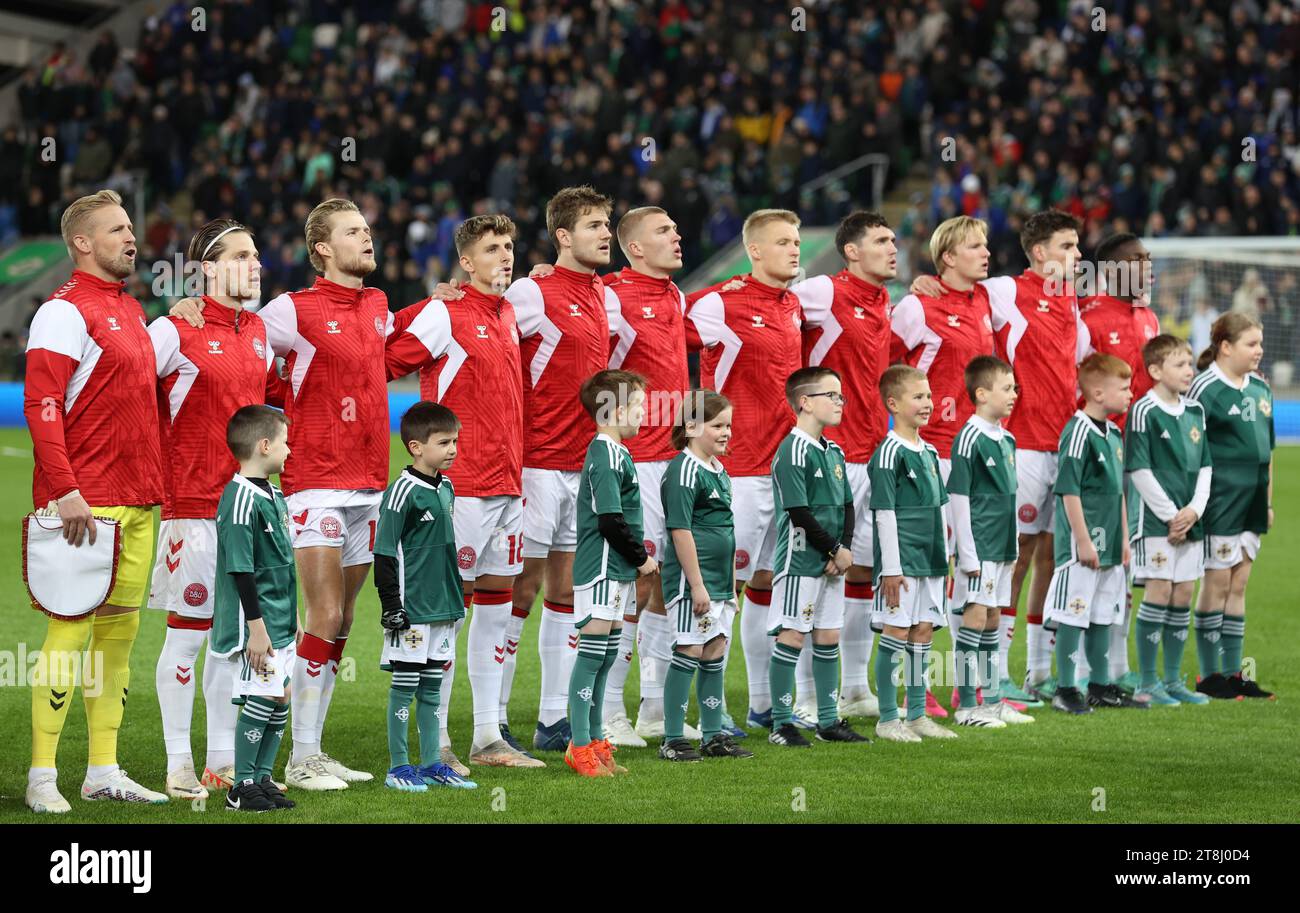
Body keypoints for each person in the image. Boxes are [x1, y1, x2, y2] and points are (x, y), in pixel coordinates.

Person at [174, 198, 390, 788]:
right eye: (354, 231)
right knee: (318, 613)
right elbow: (235, 326)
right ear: (322, 248)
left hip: (369, 481)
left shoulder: (377, 304)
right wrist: (191, 302)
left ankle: (312, 748)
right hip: (313, 484)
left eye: (367, 229)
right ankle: (293, 758)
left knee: (343, 619)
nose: (367, 238)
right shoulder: (290, 310)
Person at [24, 189, 168, 813]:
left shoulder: (130, 310)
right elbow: (42, 405)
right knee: (69, 634)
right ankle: (40, 777)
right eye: (115, 230)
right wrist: (66, 489)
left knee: (118, 640)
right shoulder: (62, 312)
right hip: (85, 505)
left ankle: (103, 769)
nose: (130, 238)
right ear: (82, 243)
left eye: (130, 228)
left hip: (136, 501)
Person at [384, 215, 542, 769]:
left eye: (510, 247)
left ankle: (485, 737)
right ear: (466, 262)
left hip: (508, 485)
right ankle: (438, 741)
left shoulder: (508, 313)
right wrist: (420, 306)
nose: (505, 257)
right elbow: (382, 356)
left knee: (497, 613)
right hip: (461, 489)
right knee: (446, 613)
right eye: (492, 249)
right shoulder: (445, 313)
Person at [914, 211, 1087, 708]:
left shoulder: (1074, 300)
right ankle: (989, 677)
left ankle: (1034, 672)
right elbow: (955, 291)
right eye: (1069, 247)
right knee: (1012, 556)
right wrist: (924, 282)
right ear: (1040, 253)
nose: (1078, 257)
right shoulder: (1007, 291)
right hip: (1022, 443)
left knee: (1052, 557)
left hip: (1063, 444)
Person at [148, 219, 275, 799]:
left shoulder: (258, 332)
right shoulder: (174, 330)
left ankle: (220, 760)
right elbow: (127, 388)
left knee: (233, 638)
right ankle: (178, 761)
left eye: (256, 255)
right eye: (242, 255)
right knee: (188, 635)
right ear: (206, 268)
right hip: (193, 508)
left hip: (246, 508)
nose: (255, 264)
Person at [503, 186, 616, 753]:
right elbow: (481, 318)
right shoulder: (530, 291)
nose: (606, 233)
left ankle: (552, 720)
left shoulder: (602, 293)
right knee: (518, 588)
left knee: (567, 592)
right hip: (538, 464)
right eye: (595, 225)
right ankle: (493, 722)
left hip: (584, 465)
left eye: (609, 224)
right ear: (564, 236)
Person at [685, 209, 806, 731]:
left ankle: (761, 704)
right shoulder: (718, 302)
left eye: (797, 240)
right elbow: (659, 327)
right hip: (734, 472)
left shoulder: (795, 303)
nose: (795, 249)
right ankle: (699, 710)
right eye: (783, 242)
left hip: (782, 471)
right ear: (754, 250)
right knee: (720, 591)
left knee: (766, 586)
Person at [789, 210, 897, 721]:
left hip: (873, 454)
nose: (893, 248)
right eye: (881, 240)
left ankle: (853, 685)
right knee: (818, 572)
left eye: (893, 240)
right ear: (851, 251)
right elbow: (767, 299)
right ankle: (803, 696)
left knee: (864, 571)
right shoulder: (823, 293)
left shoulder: (885, 302)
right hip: (829, 457)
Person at [890, 214, 994, 718]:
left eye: (986, 244)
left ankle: (971, 688)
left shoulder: (989, 302)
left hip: (976, 456)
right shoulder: (916, 306)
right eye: (975, 245)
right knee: (925, 569)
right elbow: (883, 369)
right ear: (947, 257)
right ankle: (913, 689)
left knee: (974, 568)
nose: (986, 252)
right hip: (929, 455)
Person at [373, 402, 479, 791]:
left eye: (455, 441)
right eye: (444, 442)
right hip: (412, 609)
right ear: (416, 447)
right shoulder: (402, 491)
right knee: (405, 684)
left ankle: (433, 762)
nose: (453, 449)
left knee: (433, 686)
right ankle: (399, 767)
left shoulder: (447, 487)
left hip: (443, 606)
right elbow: (384, 551)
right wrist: (391, 607)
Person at [1077, 233, 1162, 698]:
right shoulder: (1086, 316)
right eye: (1139, 260)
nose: (1148, 266)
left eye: (1149, 258)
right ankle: (1059, 668)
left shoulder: (1147, 316)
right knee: (1089, 559)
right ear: (1111, 269)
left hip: (1142, 454)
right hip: (1100, 456)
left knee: (1125, 564)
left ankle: (1116, 664)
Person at [767, 367, 867, 747]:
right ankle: (781, 723)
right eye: (832, 396)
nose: (840, 403)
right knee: (792, 635)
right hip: (799, 561)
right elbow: (798, 510)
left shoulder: (835, 451)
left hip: (830, 561)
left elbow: (847, 506)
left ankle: (827, 720)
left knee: (827, 636)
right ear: (805, 402)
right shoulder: (792, 449)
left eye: (841, 396)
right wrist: (834, 549)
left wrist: (841, 548)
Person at [565, 370, 657, 777]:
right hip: (602, 567)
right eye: (638, 406)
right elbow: (609, 520)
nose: (643, 414)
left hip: (616, 570)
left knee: (604, 659)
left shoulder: (618, 452)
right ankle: (579, 746)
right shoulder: (603, 453)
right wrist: (642, 559)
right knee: (591, 658)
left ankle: (595, 741)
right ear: (616, 410)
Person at [1044, 354, 1147, 714]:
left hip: (1111, 543)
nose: (1131, 394)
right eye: (1124, 388)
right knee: (1074, 612)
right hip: (1082, 545)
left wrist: (1122, 539)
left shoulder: (1115, 433)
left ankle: (1100, 685)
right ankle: (1065, 687)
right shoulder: (1078, 431)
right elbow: (1068, 490)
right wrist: (1084, 541)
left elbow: (1118, 491)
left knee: (1104, 612)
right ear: (1099, 393)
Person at [211, 406, 297, 813]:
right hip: (257, 621)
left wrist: (294, 614)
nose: (289, 449)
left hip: (281, 616)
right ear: (264, 446)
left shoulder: (274, 493)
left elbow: (282, 560)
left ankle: (263, 778)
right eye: (284, 441)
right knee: (261, 698)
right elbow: (241, 568)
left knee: (280, 696)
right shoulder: (240, 496)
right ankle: (240, 786)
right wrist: (256, 627)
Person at [658, 390, 753, 761]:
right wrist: (696, 585)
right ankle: (672, 737)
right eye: (718, 425)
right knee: (690, 648)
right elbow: (680, 531)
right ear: (692, 426)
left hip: (718, 583)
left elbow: (726, 530)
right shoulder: (683, 469)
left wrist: (729, 586)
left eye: (728, 424)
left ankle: (713, 735)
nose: (727, 432)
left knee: (714, 649)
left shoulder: (718, 469)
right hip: (690, 583)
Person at [1187, 314, 1275, 699]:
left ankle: (1234, 674)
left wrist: (1268, 501)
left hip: (1253, 498)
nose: (1259, 351)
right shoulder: (1204, 388)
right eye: (1251, 344)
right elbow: (1189, 448)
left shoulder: (1260, 388)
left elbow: (1266, 451)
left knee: (1239, 582)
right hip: (1220, 497)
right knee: (1218, 581)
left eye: (1260, 344)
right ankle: (1209, 676)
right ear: (1226, 347)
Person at [1124, 335, 1213, 706]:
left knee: (1183, 594)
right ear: (1155, 370)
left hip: (1191, 522)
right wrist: (1172, 516)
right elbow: (1138, 469)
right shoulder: (1144, 410)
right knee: (1159, 592)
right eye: (1180, 364)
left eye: (1190, 363)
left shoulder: (1195, 411)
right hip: (1156, 523)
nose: (1188, 371)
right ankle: (1147, 682)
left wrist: (1194, 510)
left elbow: (1206, 465)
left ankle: (1173, 681)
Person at [868, 365, 954, 742]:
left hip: (931, 560)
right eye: (918, 397)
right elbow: (884, 512)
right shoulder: (889, 452)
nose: (928, 403)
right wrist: (890, 567)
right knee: (896, 631)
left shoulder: (931, 451)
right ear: (893, 403)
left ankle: (917, 714)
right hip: (900, 564)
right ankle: (888, 718)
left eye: (929, 396)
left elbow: (940, 509)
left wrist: (945, 557)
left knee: (922, 632)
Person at [948, 356, 1035, 726]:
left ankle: (993, 699)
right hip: (979, 546)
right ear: (981, 394)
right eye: (1007, 388)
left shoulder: (1008, 438)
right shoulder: (969, 437)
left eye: (1014, 387)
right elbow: (959, 497)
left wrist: (1013, 544)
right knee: (977, 614)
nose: (1014, 394)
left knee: (995, 616)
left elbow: (1009, 496)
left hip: (1001, 545)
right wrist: (966, 552)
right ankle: (968, 704)